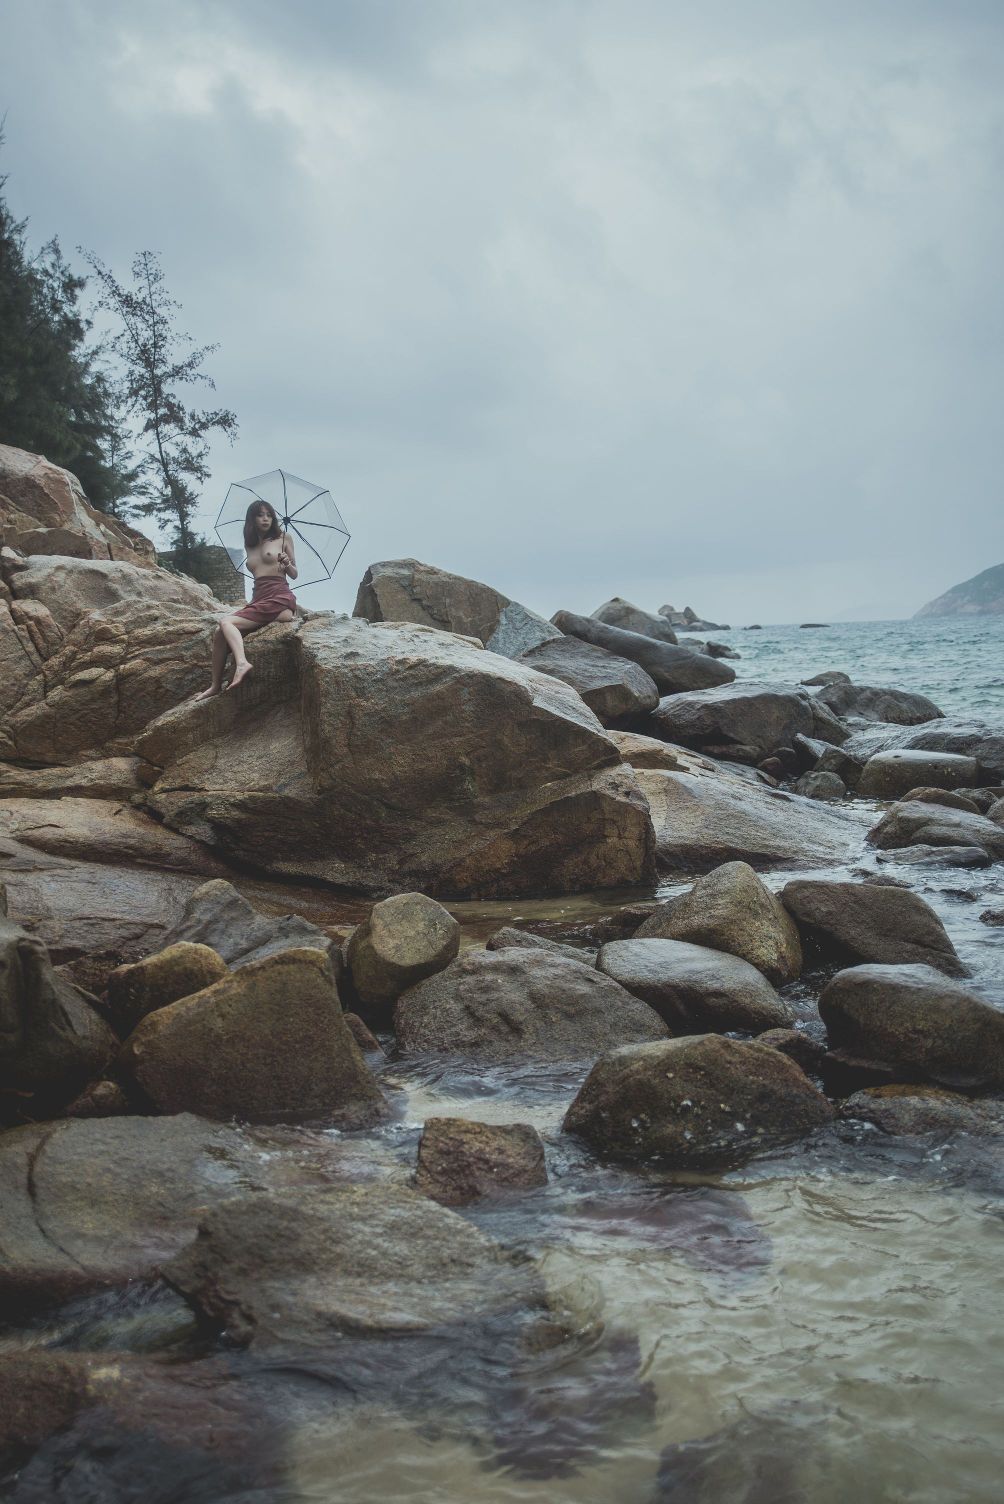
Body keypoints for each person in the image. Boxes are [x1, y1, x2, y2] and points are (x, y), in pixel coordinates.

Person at [195, 501, 298, 697]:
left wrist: (287, 563)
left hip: (278, 594)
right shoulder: (249, 544)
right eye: (260, 515)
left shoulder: (284, 537)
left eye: (269, 514)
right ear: (252, 519)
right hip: (258, 597)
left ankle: (242, 662)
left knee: (226, 621)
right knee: (219, 633)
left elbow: (294, 574)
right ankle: (215, 686)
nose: (265, 518)